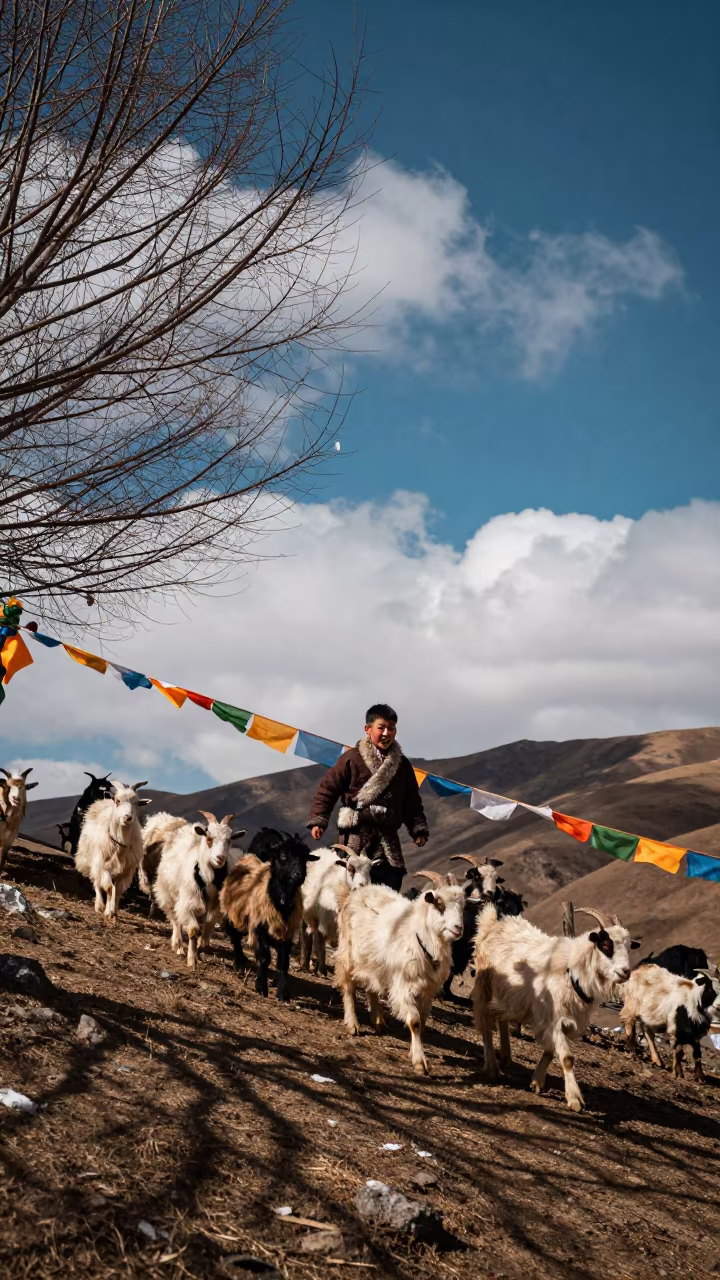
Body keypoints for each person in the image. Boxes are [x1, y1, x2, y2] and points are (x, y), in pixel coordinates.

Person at [307, 703, 428, 891]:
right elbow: (328, 789)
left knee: (389, 888)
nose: (387, 733)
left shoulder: (402, 765)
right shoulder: (351, 759)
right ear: (368, 729)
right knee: (349, 888)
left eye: (392, 728)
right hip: (356, 833)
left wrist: (418, 829)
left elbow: (411, 800)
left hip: (387, 837)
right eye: (381, 728)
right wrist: (319, 820)